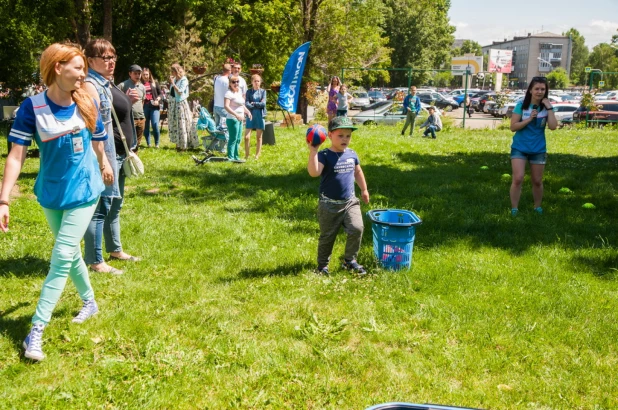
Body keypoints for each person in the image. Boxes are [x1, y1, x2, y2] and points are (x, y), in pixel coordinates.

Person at [0, 43, 113, 361]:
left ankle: (35, 331)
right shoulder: (31, 108)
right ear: (57, 67)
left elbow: (99, 141)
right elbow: (16, 155)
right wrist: (4, 199)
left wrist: (103, 164)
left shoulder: (87, 102)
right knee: (71, 253)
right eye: (77, 67)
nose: (82, 74)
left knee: (62, 255)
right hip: (51, 192)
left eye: (83, 68)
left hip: (85, 189)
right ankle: (90, 301)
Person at [83, 38, 141, 275]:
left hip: (119, 153)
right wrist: (102, 160)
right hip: (105, 155)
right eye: (105, 58)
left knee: (114, 204)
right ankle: (95, 261)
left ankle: (115, 249)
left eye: (113, 57)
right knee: (100, 206)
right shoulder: (90, 85)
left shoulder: (107, 83)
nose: (111, 62)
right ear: (89, 61)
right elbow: (94, 127)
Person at [306, 116, 370, 276]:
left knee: (357, 228)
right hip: (329, 204)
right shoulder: (325, 155)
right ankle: (322, 266)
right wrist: (313, 151)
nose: (345, 139)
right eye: (340, 135)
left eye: (348, 136)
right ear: (330, 135)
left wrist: (364, 189)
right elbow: (314, 173)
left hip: (350, 202)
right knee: (327, 237)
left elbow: (358, 171)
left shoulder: (352, 154)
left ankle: (349, 261)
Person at [509, 76, 557, 216]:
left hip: (538, 149)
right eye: (537, 89)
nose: (539, 92)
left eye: (543, 89)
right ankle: (514, 208)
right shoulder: (521, 105)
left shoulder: (547, 107)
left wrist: (549, 108)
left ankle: (537, 207)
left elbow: (553, 126)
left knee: (537, 181)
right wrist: (529, 119)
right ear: (530, 90)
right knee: (518, 178)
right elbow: (513, 127)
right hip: (520, 147)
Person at [168, 63, 198, 151]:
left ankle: (184, 145)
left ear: (176, 71)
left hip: (180, 104)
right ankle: (178, 144)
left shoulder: (184, 80)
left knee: (182, 124)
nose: (171, 73)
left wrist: (173, 84)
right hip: (173, 103)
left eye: (172, 71)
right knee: (175, 124)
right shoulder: (175, 79)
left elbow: (180, 92)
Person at [118, 65, 146, 151]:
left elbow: (142, 102)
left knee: (137, 143)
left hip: (141, 118)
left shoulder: (142, 87)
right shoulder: (122, 85)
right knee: (129, 142)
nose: (137, 76)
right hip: (129, 119)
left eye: (139, 73)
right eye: (135, 73)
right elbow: (118, 101)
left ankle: (135, 161)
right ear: (130, 74)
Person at [224, 75, 252, 162]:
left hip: (240, 118)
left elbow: (241, 104)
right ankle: (230, 157)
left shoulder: (238, 92)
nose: (236, 83)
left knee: (238, 138)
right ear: (230, 84)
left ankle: (236, 156)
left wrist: (247, 111)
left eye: (237, 82)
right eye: (233, 82)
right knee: (233, 138)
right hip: (232, 119)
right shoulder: (228, 93)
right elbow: (226, 106)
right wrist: (236, 115)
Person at [243, 74, 266, 160]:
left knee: (259, 137)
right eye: (255, 81)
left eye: (258, 81)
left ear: (260, 82)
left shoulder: (263, 92)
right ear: (252, 82)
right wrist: (255, 105)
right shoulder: (249, 92)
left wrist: (254, 103)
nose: (256, 83)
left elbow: (263, 104)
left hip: (260, 115)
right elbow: (247, 104)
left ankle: (257, 155)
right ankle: (247, 155)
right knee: (246, 137)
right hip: (250, 114)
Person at [141, 67, 162, 148]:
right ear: (141, 75)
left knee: (155, 124)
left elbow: (161, 94)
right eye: (144, 75)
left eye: (147, 74)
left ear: (149, 75)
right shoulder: (140, 84)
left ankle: (157, 143)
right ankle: (148, 144)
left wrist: (157, 99)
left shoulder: (154, 83)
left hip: (154, 106)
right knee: (146, 125)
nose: (145, 76)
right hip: (145, 106)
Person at [213, 64, 231, 128]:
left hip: (216, 106)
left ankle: (217, 138)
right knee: (226, 129)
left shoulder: (216, 78)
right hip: (223, 107)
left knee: (217, 129)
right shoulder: (227, 81)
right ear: (229, 71)